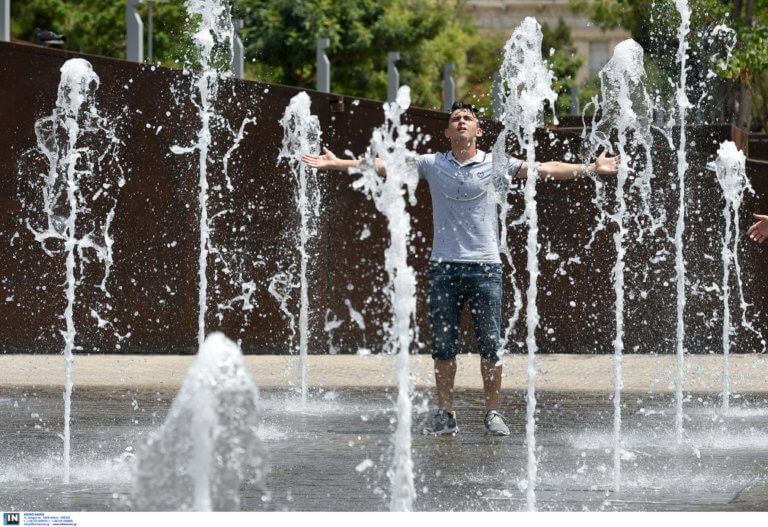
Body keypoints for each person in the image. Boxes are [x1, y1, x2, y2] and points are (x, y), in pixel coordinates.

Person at [302, 102, 618, 436]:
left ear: (479, 131)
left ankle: (493, 412)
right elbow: (385, 165)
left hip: (486, 269)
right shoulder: (433, 163)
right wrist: (338, 163)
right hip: (443, 269)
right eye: (456, 119)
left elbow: (546, 168)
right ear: (447, 131)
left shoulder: (497, 163)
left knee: (490, 346)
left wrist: (591, 168)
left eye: (468, 118)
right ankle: (445, 413)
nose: (462, 121)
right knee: (443, 347)